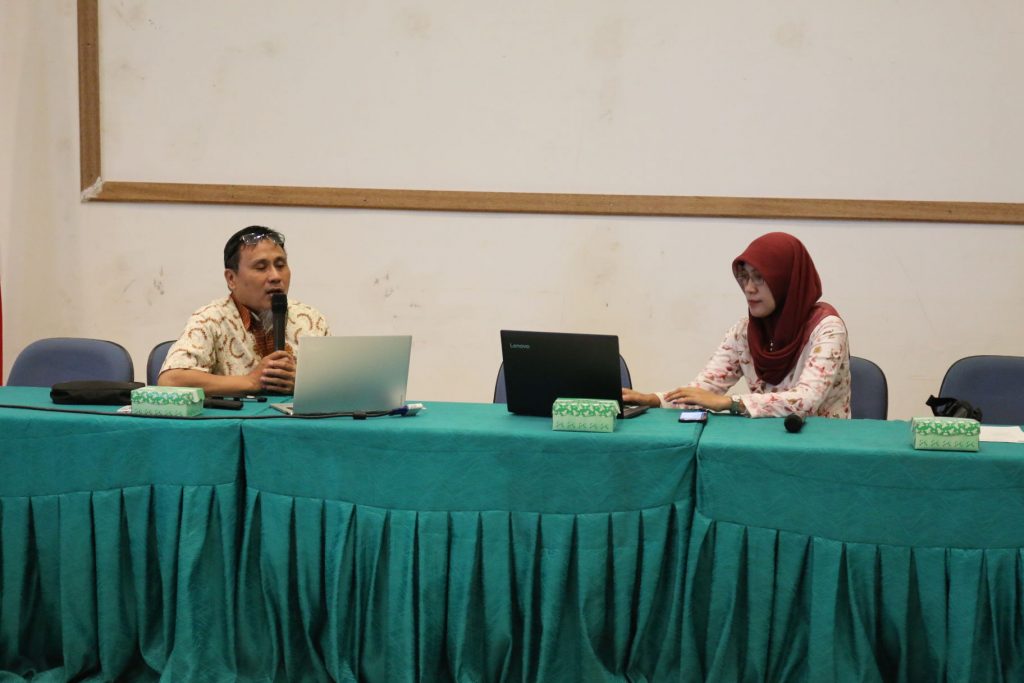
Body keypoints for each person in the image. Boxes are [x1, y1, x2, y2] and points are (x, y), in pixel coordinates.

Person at [623, 232, 851, 418]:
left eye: (760, 277)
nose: (749, 288)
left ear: (786, 280)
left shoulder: (827, 329)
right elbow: (704, 390)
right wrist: (653, 399)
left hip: (824, 447)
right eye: (744, 277)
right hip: (766, 440)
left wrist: (730, 403)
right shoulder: (744, 332)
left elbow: (806, 401)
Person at [158, 226, 329, 395]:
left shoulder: (310, 319)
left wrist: (301, 383)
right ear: (231, 279)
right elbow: (170, 381)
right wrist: (251, 381)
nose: (276, 277)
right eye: (261, 268)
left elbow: (335, 384)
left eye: (280, 265)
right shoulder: (210, 320)